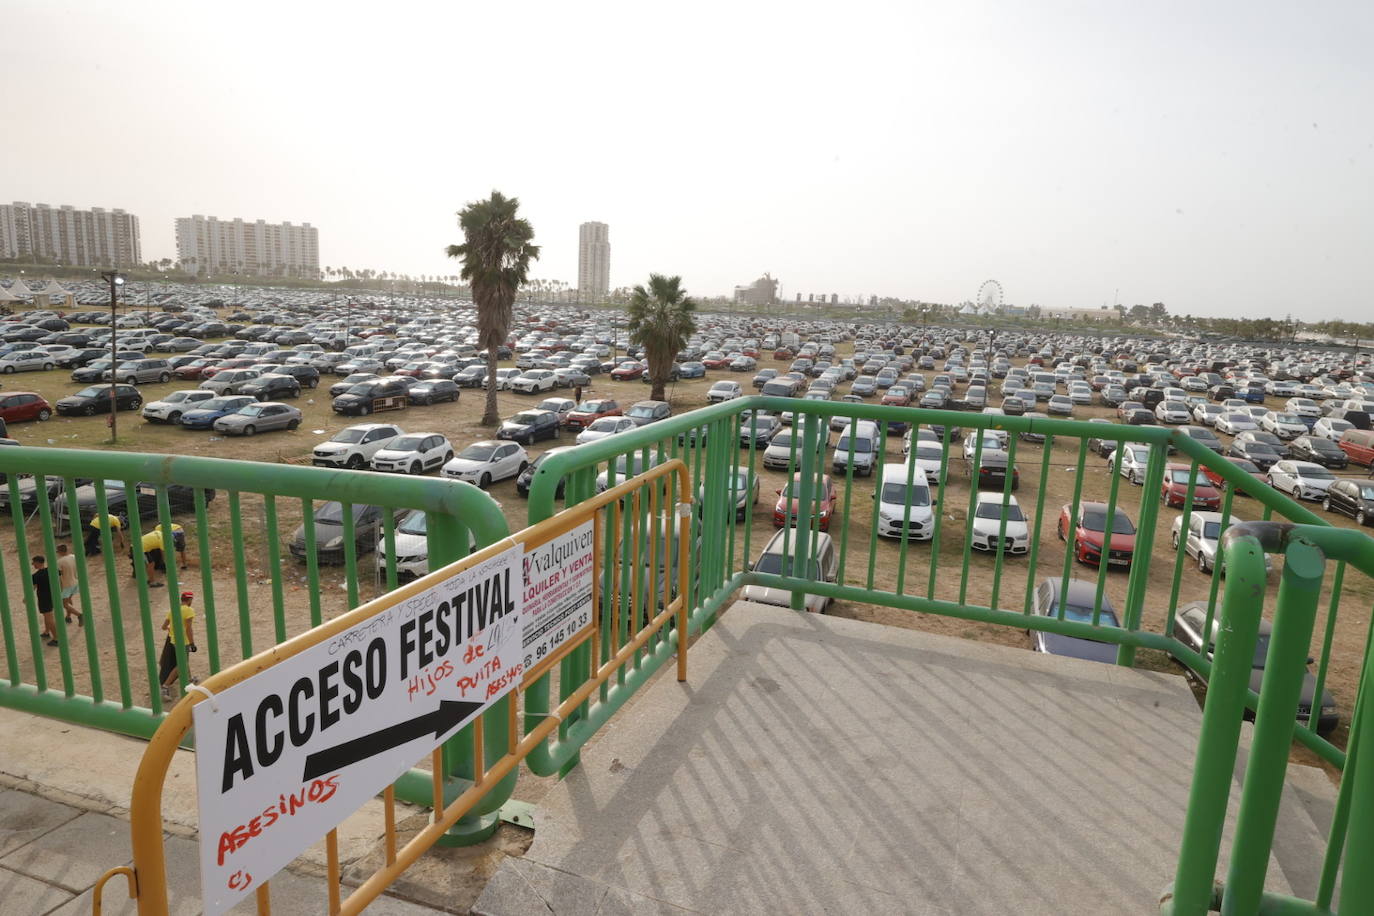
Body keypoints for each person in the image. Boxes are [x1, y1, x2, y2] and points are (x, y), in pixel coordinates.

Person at [158, 591, 197, 701]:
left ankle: (189, 679)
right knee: (181, 664)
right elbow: (188, 629)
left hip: (173, 641)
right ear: (190, 600)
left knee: (184, 660)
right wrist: (192, 643)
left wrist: (171, 630)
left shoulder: (173, 610)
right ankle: (165, 686)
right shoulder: (189, 610)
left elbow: (164, 627)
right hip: (183, 642)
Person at [31, 555, 57, 647]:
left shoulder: (35, 576)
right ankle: (46, 632)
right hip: (52, 597)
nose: (32, 564)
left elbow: (33, 587)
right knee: (47, 616)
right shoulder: (51, 570)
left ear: (38, 563)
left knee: (49, 618)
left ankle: (56, 638)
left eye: (34, 562)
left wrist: (26, 597)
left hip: (43, 599)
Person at [55, 543, 81, 626]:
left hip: (67, 584)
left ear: (59, 551)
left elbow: (59, 574)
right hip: (76, 582)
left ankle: (79, 615)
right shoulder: (74, 556)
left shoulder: (59, 562)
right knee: (68, 600)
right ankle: (68, 617)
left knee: (64, 604)